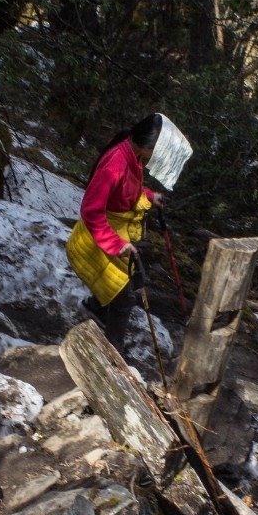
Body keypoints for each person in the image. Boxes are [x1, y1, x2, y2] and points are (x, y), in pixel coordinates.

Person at [67, 114, 166, 352]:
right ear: (147, 145)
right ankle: (114, 355)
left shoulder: (132, 155)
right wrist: (115, 244)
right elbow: (91, 211)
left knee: (121, 285)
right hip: (95, 239)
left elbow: (127, 188)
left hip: (109, 235)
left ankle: (95, 309)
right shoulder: (115, 164)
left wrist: (150, 197)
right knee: (125, 299)